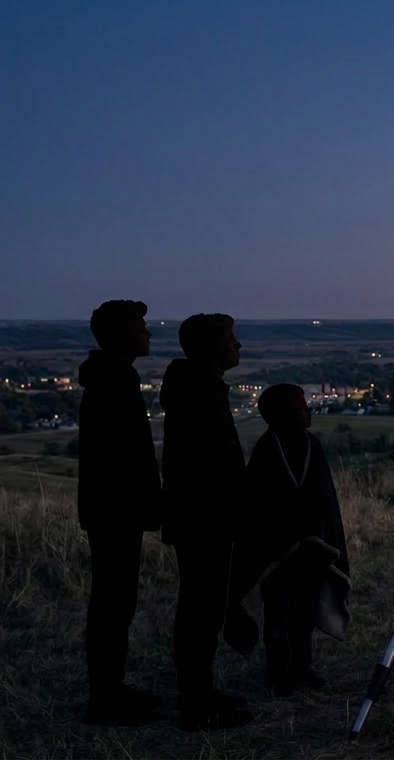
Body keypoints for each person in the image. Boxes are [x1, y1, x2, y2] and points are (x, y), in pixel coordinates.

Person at [225, 384, 351, 696]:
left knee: (305, 610)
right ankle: (278, 669)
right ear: (281, 413)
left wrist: (321, 539)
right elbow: (260, 504)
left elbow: (324, 499)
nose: (307, 409)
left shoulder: (312, 446)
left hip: (310, 548)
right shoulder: (268, 450)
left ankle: (302, 665)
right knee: (279, 610)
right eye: (300, 405)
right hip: (277, 551)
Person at [160, 313, 252, 731]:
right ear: (210, 347)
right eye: (230, 339)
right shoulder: (198, 393)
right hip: (205, 519)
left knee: (203, 608)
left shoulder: (197, 388)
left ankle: (201, 692)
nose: (238, 346)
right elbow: (205, 467)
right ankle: (197, 701)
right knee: (201, 610)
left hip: (205, 517)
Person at [77, 300, 163, 726]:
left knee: (115, 602)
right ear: (121, 336)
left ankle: (112, 689)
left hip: (113, 508)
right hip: (115, 510)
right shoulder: (113, 382)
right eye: (141, 328)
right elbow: (122, 457)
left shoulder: (113, 377)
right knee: (113, 603)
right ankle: (106, 697)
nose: (148, 335)